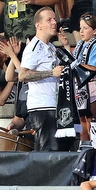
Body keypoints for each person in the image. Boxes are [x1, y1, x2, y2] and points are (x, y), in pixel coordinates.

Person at [19, 8, 65, 151]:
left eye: (55, 19)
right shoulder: (33, 48)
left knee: (57, 149)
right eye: (49, 20)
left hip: (53, 104)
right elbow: (23, 75)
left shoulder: (50, 46)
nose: (54, 23)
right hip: (42, 106)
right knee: (47, 150)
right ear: (38, 25)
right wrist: (51, 72)